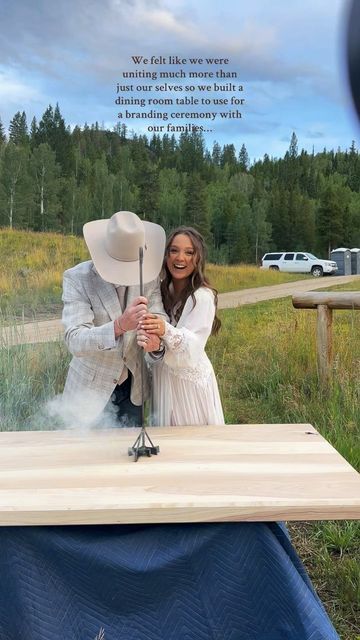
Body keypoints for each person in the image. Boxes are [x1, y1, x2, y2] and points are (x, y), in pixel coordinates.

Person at [61, 210, 167, 426]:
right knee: (87, 457)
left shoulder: (149, 276)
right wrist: (118, 326)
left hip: (133, 390)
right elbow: (74, 339)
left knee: (128, 455)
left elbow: (159, 317)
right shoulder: (77, 278)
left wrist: (156, 343)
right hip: (88, 393)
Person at [138, 226, 224, 426]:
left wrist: (164, 329)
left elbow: (192, 348)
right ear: (166, 255)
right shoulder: (159, 291)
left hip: (189, 387)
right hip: (164, 380)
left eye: (189, 252)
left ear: (198, 258)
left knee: (193, 448)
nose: (180, 258)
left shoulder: (201, 297)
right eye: (174, 250)